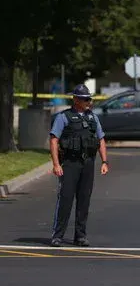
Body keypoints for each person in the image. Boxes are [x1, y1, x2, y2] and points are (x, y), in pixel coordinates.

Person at [49, 84, 109, 247]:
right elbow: (54, 140)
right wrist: (56, 164)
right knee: (66, 199)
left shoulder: (92, 118)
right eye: (85, 99)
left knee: (84, 201)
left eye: (89, 99)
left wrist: (104, 161)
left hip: (88, 163)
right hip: (70, 163)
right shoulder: (64, 117)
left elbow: (101, 139)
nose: (88, 102)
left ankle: (80, 236)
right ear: (76, 100)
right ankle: (57, 235)